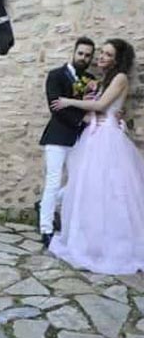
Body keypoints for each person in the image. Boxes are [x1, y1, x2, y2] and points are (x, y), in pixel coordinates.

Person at [49, 38, 144, 275]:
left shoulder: (120, 77)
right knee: (89, 189)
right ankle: (92, 241)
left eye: (107, 54)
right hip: (96, 135)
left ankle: (115, 245)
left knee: (111, 191)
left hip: (108, 137)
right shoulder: (104, 79)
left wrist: (68, 101)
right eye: (100, 53)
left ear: (117, 59)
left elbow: (102, 105)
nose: (101, 57)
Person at [38, 37, 95, 248]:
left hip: (80, 138)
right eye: (81, 53)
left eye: (88, 55)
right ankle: (46, 229)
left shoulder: (90, 79)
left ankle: (44, 204)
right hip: (57, 136)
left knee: (78, 181)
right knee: (53, 181)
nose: (84, 58)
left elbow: (92, 104)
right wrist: (81, 119)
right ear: (74, 52)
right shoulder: (56, 75)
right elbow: (55, 106)